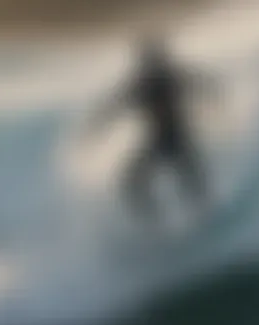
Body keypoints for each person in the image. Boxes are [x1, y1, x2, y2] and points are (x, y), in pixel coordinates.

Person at [88, 38, 217, 221]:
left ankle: (202, 214)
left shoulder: (167, 78)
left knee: (189, 180)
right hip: (161, 141)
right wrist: (98, 125)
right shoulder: (147, 83)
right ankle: (156, 220)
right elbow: (117, 105)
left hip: (177, 139)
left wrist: (213, 97)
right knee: (134, 180)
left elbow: (198, 84)